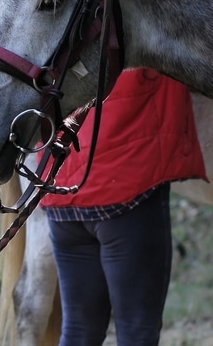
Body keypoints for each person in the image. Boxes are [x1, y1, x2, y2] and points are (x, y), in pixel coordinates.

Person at [40, 68, 208, 346]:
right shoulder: (143, 30)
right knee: (136, 331)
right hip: (127, 193)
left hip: (62, 197)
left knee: (79, 330)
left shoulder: (59, 39)